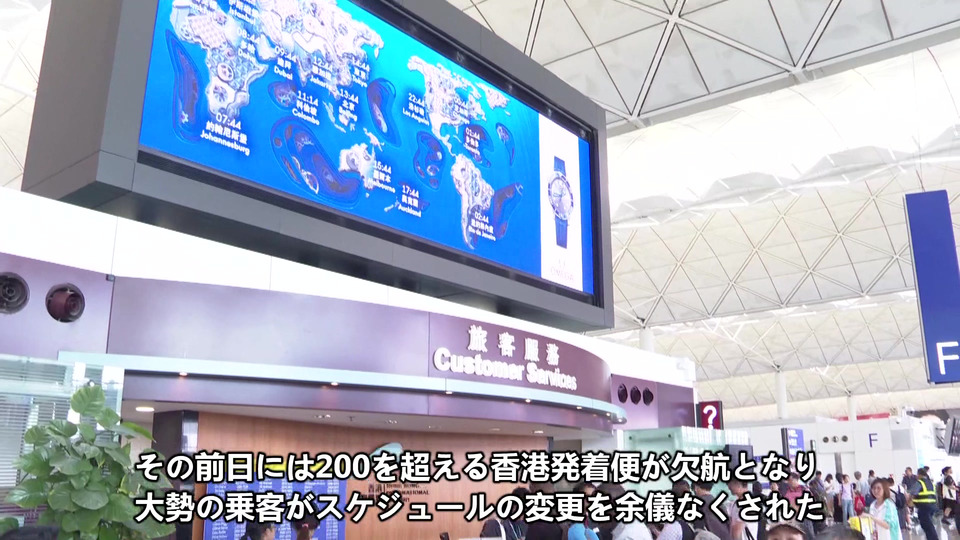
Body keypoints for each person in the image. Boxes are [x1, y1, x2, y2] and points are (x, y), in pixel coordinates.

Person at [910, 467, 938, 540]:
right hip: (932, 506)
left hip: (923, 507)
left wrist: (909, 501)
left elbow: (913, 493)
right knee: (929, 525)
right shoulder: (930, 483)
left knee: (927, 526)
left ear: (919, 474)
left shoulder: (920, 482)